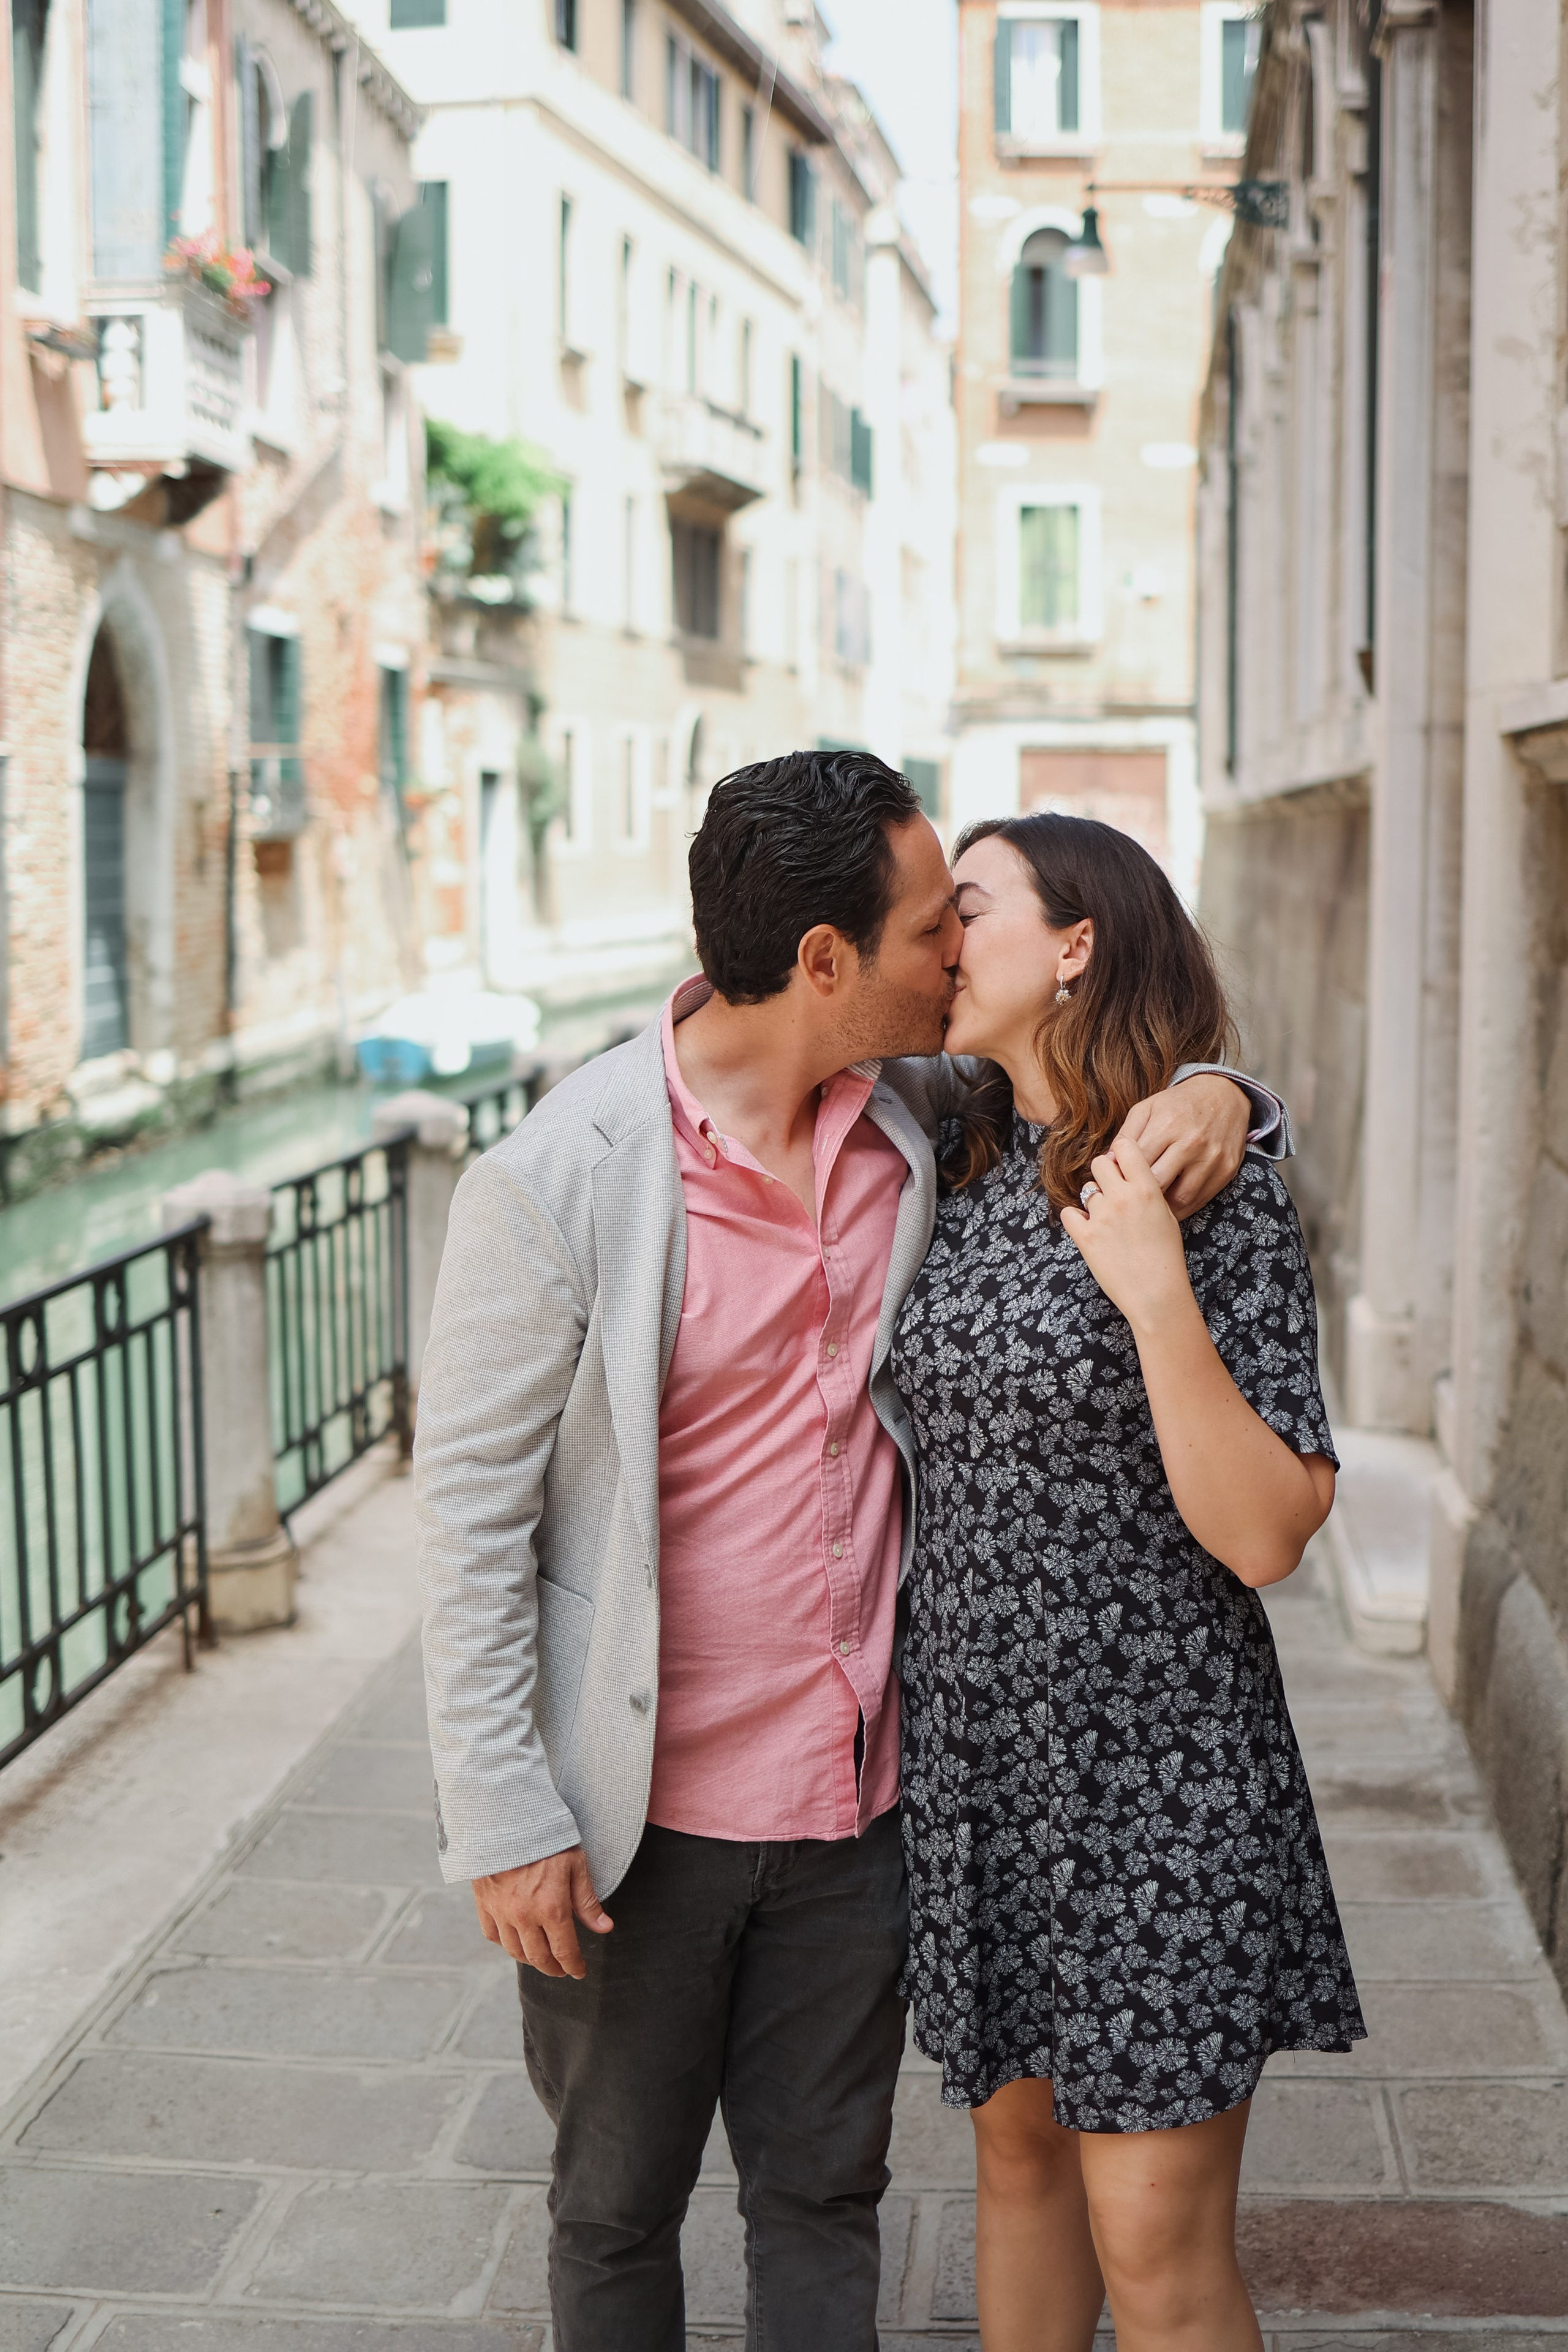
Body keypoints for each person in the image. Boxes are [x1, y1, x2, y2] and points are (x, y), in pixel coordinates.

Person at [413, 752, 1284, 2352]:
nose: (955, 956)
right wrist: (501, 1812)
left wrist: (1228, 1092)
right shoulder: (557, 1180)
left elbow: (1105, 1083)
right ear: (827, 963)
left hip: (857, 1813)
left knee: (824, 2203)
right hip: (632, 1830)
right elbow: (466, 1522)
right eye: (925, 931)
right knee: (614, 2218)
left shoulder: (916, 1122)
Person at [891, 812, 1365, 2352]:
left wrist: (1156, 1291)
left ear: (1077, 942)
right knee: (1014, 2167)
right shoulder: (949, 1142)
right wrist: (1240, 1083)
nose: (942, 939)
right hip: (980, 1775)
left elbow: (1267, 1534)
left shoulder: (1198, 1181)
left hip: (1154, 1774)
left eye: (968, 907)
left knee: (1151, 2242)